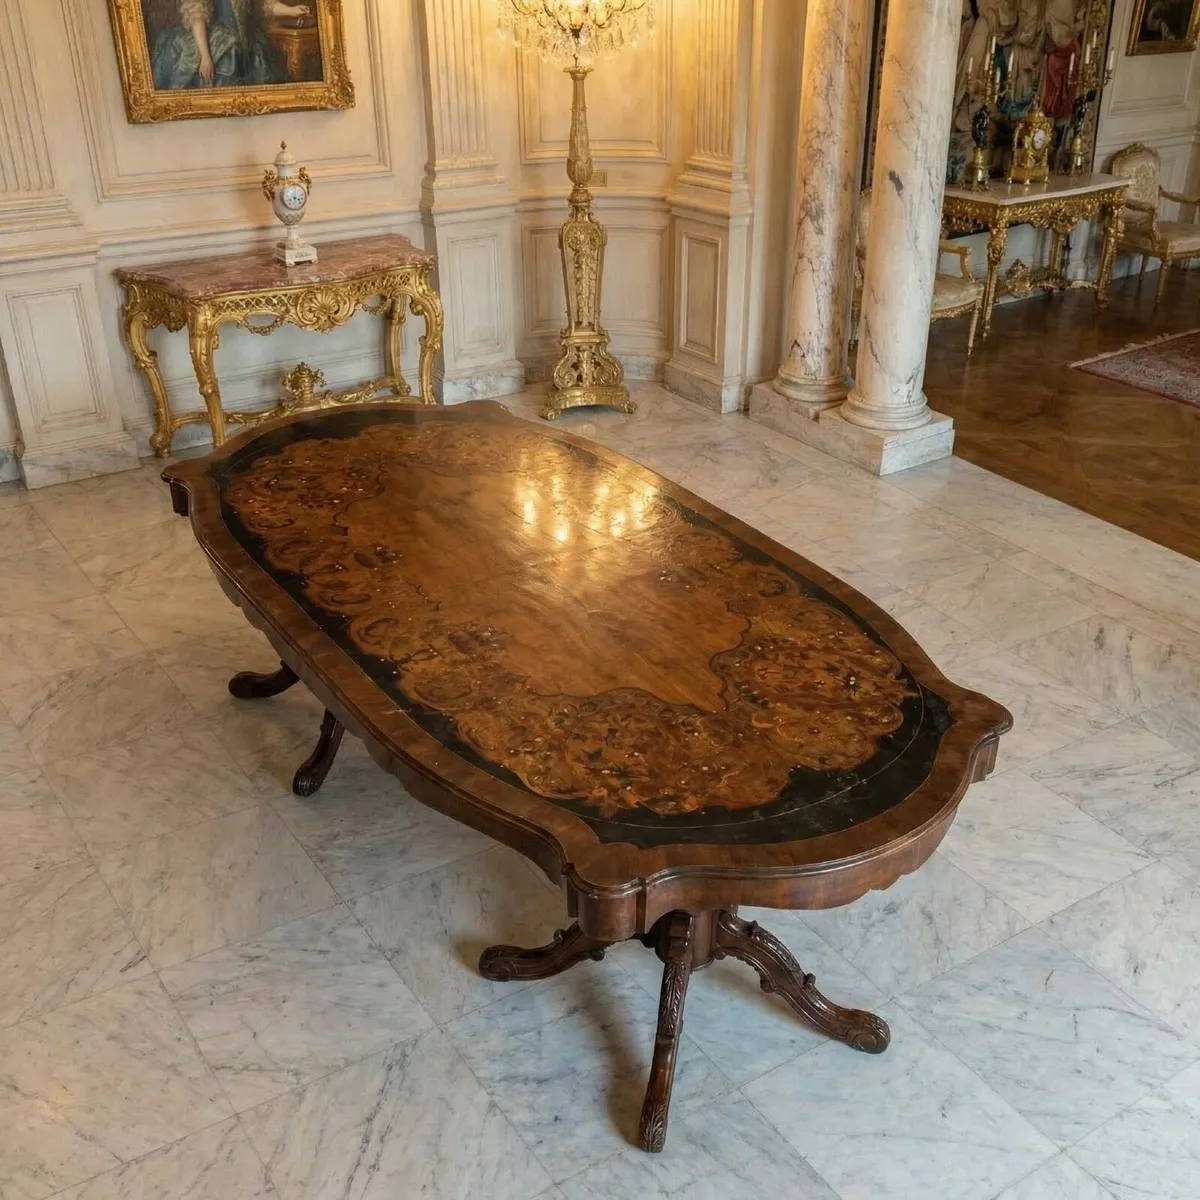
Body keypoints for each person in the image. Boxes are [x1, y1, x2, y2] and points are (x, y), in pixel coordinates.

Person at [151, 0, 313, 90]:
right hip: (218, 40)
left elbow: (263, 4)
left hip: (250, 42)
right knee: (230, 56)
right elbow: (197, 15)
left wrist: (291, 11)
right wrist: (205, 55)